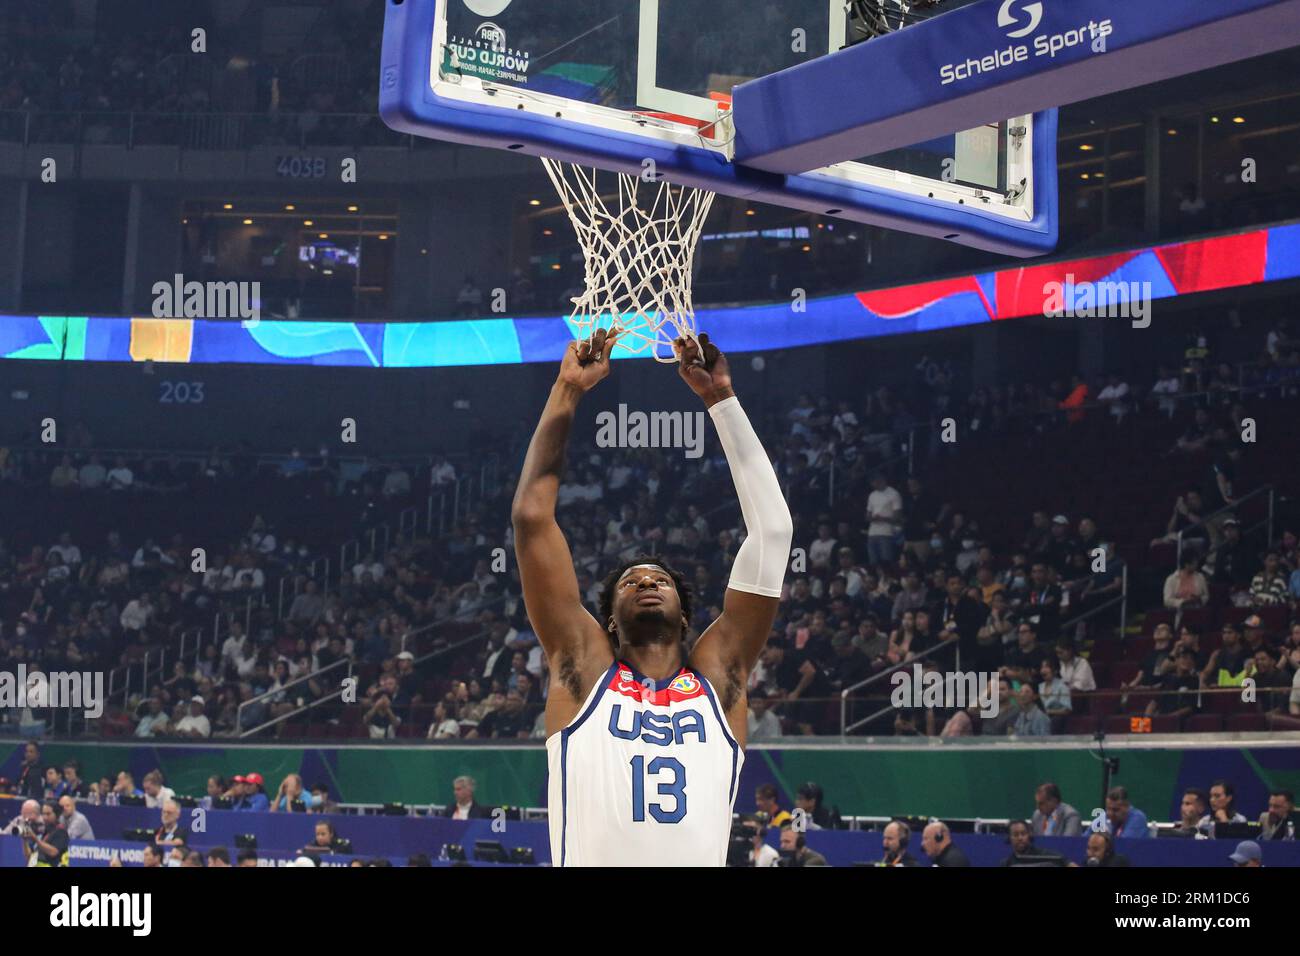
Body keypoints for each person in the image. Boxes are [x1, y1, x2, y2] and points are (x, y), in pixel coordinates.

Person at [512, 331, 792, 867]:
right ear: (609, 623)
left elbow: (773, 533)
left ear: (685, 616)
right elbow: (531, 518)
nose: (645, 582)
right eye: (630, 582)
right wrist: (566, 389)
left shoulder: (719, 678)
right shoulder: (584, 670)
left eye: (658, 579)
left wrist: (722, 401)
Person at [1000, 819, 1068, 867]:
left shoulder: (1048, 857)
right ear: (1009, 838)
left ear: (1029, 835)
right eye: (1015, 835)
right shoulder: (1006, 864)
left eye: (1023, 834)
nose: (1020, 838)